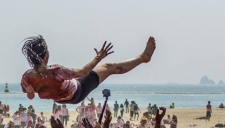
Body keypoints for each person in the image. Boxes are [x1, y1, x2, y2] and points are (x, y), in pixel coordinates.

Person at [21, 35, 156, 104]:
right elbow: (83, 72)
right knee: (109, 68)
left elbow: (31, 96)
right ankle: (143, 57)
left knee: (106, 69)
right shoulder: (56, 71)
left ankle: (143, 57)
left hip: (63, 98)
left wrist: (30, 92)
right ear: (46, 55)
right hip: (79, 89)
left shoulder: (27, 77)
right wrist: (98, 57)